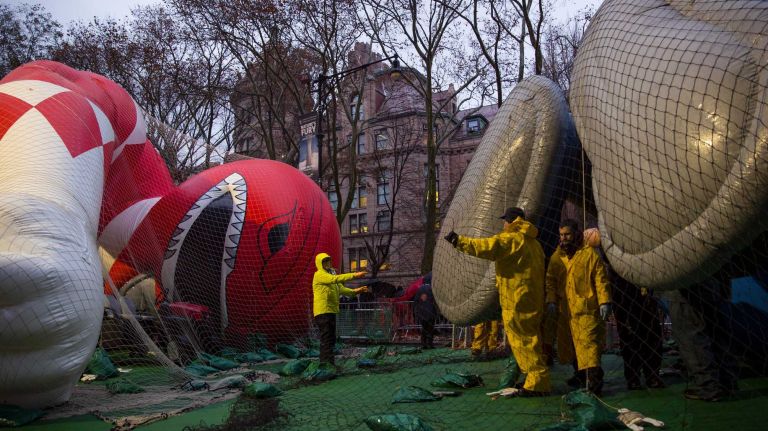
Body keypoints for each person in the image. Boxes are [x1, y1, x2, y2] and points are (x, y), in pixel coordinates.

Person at [444, 207, 551, 396]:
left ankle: (537, 381)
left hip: (516, 298)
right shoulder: (534, 243)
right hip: (531, 298)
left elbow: (485, 246)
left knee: (523, 340)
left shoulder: (510, 239)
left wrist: (458, 241)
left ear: (510, 221)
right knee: (531, 339)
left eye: (505, 220)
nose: (503, 224)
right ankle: (533, 379)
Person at [586, 228, 665, 390]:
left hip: (643, 285)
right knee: (628, 335)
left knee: (649, 332)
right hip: (622, 288)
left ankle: (651, 374)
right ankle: (634, 376)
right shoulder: (610, 233)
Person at [545, 219, 611, 395]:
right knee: (572, 347)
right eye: (561, 235)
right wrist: (551, 300)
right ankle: (581, 376)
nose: (563, 238)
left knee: (588, 347)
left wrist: (604, 301)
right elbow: (550, 280)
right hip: (566, 311)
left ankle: (595, 383)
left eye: (567, 234)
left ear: (576, 234)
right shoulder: (557, 257)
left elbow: (600, 279)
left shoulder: (590, 255)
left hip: (586, 310)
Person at [665, 274, 738, 401]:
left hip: (685, 292)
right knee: (717, 337)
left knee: (692, 341)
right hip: (713, 287)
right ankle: (727, 383)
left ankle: (709, 388)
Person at [312, 253, 368, 365]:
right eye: (324, 262)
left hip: (331, 311)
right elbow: (334, 279)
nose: (327, 264)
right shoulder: (319, 275)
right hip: (322, 311)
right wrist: (354, 275)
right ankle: (325, 363)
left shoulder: (330, 274)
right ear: (320, 264)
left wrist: (356, 291)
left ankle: (329, 362)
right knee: (326, 338)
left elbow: (341, 289)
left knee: (331, 338)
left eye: (328, 261)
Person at [413, 277, 438, 349]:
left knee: (424, 328)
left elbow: (416, 300)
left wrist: (418, 311)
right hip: (430, 312)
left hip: (422, 313)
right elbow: (435, 299)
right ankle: (430, 343)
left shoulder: (419, 289)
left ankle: (424, 344)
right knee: (430, 328)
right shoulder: (431, 289)